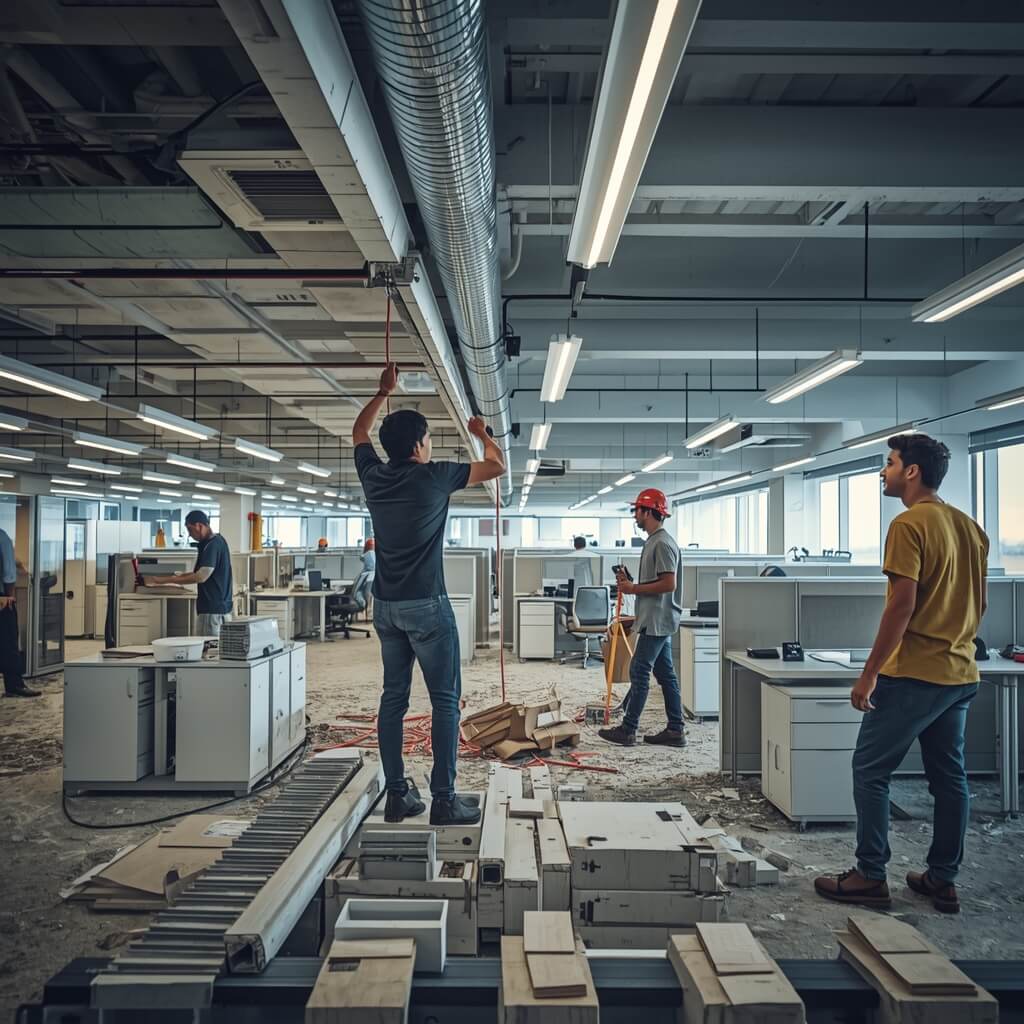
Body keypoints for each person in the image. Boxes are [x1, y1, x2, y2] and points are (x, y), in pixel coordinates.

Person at [814, 434, 988, 914]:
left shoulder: (909, 524)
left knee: (870, 771)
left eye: (889, 464)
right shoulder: (969, 527)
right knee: (949, 779)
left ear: (912, 471)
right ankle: (942, 878)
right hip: (960, 672)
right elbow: (980, 603)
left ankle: (870, 874)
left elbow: (901, 605)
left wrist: (869, 674)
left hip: (913, 674)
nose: (883, 472)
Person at [353, 362, 506, 825]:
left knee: (393, 699)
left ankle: (398, 795)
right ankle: (444, 800)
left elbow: (360, 429)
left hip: (386, 606)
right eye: (430, 440)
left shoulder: (372, 475)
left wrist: (382, 392)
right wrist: (481, 432)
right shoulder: (434, 476)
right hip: (427, 606)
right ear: (419, 446)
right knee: (444, 699)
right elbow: (496, 465)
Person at [598, 488, 685, 748]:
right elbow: (657, 581)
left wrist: (634, 589)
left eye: (637, 510)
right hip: (655, 618)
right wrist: (632, 584)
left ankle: (628, 729)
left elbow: (669, 583)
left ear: (649, 512)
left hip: (656, 621)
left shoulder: (661, 542)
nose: (634, 514)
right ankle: (675, 729)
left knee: (639, 670)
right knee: (665, 674)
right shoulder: (654, 541)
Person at [143, 511, 234, 636]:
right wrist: (177, 577)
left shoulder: (213, 545)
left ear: (199, 526)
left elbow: (201, 576)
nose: (190, 535)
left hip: (212, 611)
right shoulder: (214, 542)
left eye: (190, 530)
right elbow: (198, 573)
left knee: (207, 650)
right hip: (219, 609)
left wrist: (162, 580)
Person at [0, 526, 38, 698]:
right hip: (2, 600)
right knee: (8, 642)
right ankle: (14, 684)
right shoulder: (2, 538)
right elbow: (9, 573)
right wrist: (10, 596)